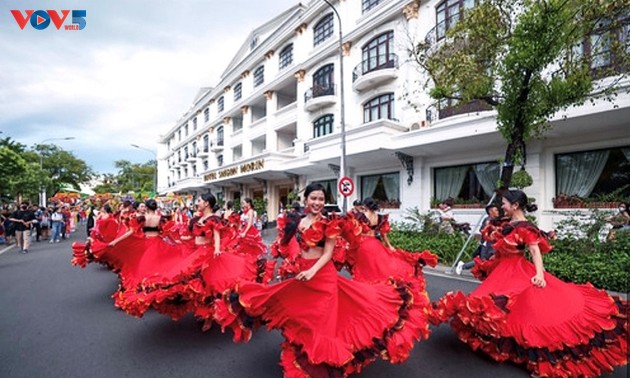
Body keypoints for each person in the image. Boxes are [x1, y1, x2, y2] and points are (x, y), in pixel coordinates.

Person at [227, 183, 427, 376]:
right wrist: (295, 265)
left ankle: (323, 365)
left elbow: (327, 254)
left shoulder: (330, 222)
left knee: (323, 322)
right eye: (313, 198)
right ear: (306, 200)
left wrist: (312, 271)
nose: (317, 202)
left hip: (323, 277)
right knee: (298, 312)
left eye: (321, 199)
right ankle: (306, 353)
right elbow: (297, 248)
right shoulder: (299, 222)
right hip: (304, 275)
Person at [431, 190, 628, 377]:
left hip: (516, 269)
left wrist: (540, 274)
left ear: (515, 205)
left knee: (530, 312)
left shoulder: (526, 227)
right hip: (502, 270)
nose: (502, 207)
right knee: (493, 308)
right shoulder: (508, 223)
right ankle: (508, 346)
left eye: (505, 204)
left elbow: (534, 250)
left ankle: (541, 360)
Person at [455, 203, 500, 275]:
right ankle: (463, 266)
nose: (498, 212)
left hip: (492, 244)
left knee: (491, 258)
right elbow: (482, 230)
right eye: (496, 210)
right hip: (487, 244)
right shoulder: (487, 220)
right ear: (490, 211)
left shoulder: (495, 220)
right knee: (483, 260)